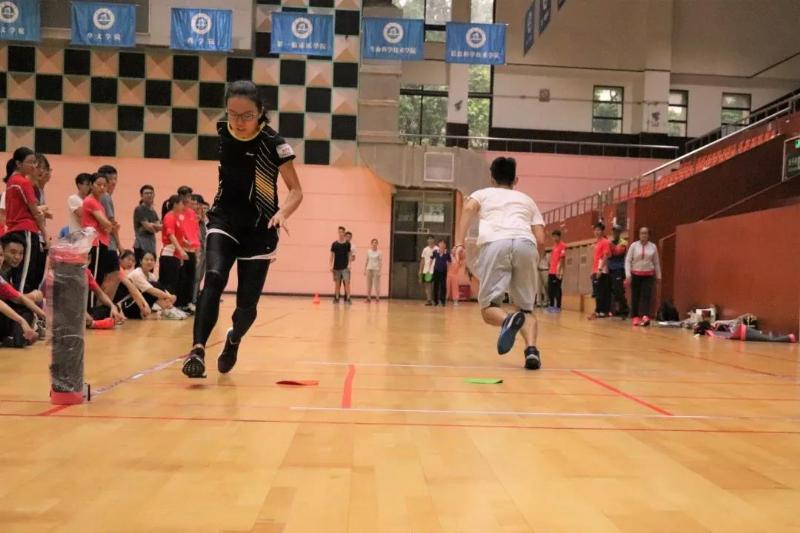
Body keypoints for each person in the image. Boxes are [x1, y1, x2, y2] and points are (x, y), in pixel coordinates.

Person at [181, 80, 303, 379]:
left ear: (260, 111)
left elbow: (296, 191)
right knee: (213, 277)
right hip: (224, 220)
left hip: (261, 228)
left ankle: (233, 340)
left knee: (246, 307)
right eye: (233, 114)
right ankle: (197, 350)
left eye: (247, 115)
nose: (239, 121)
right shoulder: (224, 131)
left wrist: (282, 213)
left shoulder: (274, 143)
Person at [457, 156, 546, 370]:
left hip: (496, 243)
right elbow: (541, 239)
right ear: (515, 180)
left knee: (489, 307)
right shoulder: (527, 200)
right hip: (526, 244)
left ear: (492, 179)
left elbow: (468, 209)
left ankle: (507, 321)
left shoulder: (483, 194)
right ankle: (531, 351)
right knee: (526, 309)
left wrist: (459, 243)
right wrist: (534, 259)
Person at [3, 147, 48, 296]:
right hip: (26, 231)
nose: (34, 166)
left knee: (17, 274)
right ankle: (22, 307)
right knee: (25, 276)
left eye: (35, 163)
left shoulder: (11, 181)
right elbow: (36, 213)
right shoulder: (23, 182)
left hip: (15, 230)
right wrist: (45, 236)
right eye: (30, 162)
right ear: (18, 163)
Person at [625, 227, 661, 327]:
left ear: (648, 235)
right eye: (642, 233)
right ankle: (635, 316)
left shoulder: (653, 247)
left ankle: (645, 316)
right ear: (639, 235)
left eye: (645, 233)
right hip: (635, 274)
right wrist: (628, 274)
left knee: (646, 295)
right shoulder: (634, 246)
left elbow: (656, 262)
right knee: (635, 296)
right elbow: (628, 260)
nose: (644, 235)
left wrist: (659, 275)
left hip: (648, 275)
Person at [97, 165, 122, 301]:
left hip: (102, 243)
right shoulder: (105, 196)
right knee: (114, 276)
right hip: (108, 243)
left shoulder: (99, 197)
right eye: (110, 179)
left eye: (115, 179)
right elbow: (111, 223)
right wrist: (119, 245)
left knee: (103, 277)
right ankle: (103, 309)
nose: (113, 182)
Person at [159, 195, 189, 302]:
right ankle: (165, 306)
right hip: (169, 254)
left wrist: (189, 244)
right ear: (175, 204)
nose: (183, 206)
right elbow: (171, 236)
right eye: (181, 203)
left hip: (175, 255)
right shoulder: (169, 217)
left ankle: (169, 305)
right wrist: (181, 250)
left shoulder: (177, 218)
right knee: (168, 283)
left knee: (174, 282)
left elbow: (180, 238)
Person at [177, 189, 200, 313]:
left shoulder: (192, 213)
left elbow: (195, 232)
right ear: (180, 196)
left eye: (190, 196)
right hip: (182, 250)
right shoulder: (177, 211)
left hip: (192, 250)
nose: (188, 199)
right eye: (186, 196)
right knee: (182, 278)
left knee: (191, 277)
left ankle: (188, 302)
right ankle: (180, 304)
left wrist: (197, 250)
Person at [132, 184, 161, 266]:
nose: (149, 195)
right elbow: (150, 228)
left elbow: (158, 228)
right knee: (140, 270)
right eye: (146, 193)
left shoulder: (153, 211)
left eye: (151, 193)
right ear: (141, 196)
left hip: (151, 246)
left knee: (150, 270)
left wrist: (154, 225)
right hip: (141, 245)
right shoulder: (139, 209)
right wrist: (153, 226)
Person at [589, 222, 611, 320]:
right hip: (595, 270)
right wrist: (592, 271)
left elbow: (605, 256)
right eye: (595, 230)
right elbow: (595, 259)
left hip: (601, 270)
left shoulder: (605, 242)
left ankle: (601, 311)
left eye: (599, 230)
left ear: (602, 231)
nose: (597, 232)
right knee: (597, 292)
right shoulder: (596, 243)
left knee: (601, 292)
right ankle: (598, 311)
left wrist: (600, 269)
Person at [608, 224, 629, 318]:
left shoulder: (623, 242)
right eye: (613, 231)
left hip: (619, 269)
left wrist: (609, 246)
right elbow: (608, 254)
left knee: (619, 290)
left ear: (619, 232)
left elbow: (617, 252)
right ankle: (613, 310)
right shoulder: (610, 242)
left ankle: (624, 309)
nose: (614, 233)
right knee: (611, 291)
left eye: (616, 231)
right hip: (610, 269)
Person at [192, 195, 209, 307]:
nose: (201, 208)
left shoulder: (202, 220)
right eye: (198, 204)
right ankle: (192, 299)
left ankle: (196, 297)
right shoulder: (192, 218)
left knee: (200, 276)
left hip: (203, 250)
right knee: (195, 276)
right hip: (195, 250)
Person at [329, 226, 351, 304]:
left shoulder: (347, 244)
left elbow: (349, 255)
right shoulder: (334, 244)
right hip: (336, 267)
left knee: (347, 282)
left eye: (342, 232)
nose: (340, 233)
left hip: (345, 267)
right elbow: (332, 256)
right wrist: (330, 265)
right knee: (337, 284)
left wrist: (349, 264)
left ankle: (348, 298)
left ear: (344, 233)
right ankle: (337, 298)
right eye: (339, 232)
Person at [547, 230, 566, 312]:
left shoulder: (562, 245)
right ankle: (551, 305)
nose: (554, 238)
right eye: (553, 236)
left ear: (559, 236)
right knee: (550, 289)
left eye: (556, 236)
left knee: (557, 289)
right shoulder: (554, 246)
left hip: (557, 271)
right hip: (551, 271)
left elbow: (562, 259)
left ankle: (558, 306)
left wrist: (559, 270)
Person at [431, 239, 451, 306]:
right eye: (440, 243)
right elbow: (431, 259)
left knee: (443, 285)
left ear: (445, 245)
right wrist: (429, 268)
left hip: (443, 271)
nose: (442, 245)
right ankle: (435, 301)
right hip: (436, 270)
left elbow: (449, 262)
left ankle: (443, 301)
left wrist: (448, 270)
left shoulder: (447, 253)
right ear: (438, 244)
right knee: (435, 285)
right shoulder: (435, 252)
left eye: (443, 243)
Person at [419, 235, 436, 306]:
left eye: (431, 239)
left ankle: (436, 300)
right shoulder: (425, 249)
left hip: (435, 270)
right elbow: (422, 260)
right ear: (427, 240)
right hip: (426, 270)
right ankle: (429, 300)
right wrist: (420, 270)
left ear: (434, 240)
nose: (430, 240)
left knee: (435, 286)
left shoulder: (437, 249)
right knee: (427, 286)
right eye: (429, 239)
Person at [363, 238, 382, 303]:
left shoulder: (379, 252)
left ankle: (377, 298)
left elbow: (380, 262)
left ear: (377, 244)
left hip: (376, 269)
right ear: (371, 244)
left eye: (376, 243)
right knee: (369, 284)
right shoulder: (368, 251)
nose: (374, 244)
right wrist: (365, 269)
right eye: (373, 243)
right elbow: (367, 260)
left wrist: (380, 271)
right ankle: (368, 298)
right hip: (369, 269)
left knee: (376, 285)